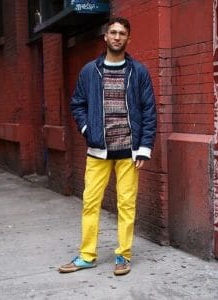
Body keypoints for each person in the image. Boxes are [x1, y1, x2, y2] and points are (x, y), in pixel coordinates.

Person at [59, 17, 156, 276]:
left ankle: (123, 256)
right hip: (98, 150)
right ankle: (87, 255)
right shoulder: (90, 70)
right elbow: (77, 103)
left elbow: (149, 110)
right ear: (105, 37)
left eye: (122, 33)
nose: (116, 36)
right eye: (112, 32)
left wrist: (144, 147)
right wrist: (86, 129)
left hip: (129, 151)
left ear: (128, 38)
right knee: (90, 203)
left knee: (126, 205)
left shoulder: (139, 71)